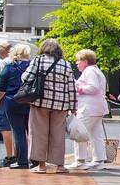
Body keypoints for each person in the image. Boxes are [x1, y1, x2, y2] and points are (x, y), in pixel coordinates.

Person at [20, 37, 77, 174]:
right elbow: (71, 86)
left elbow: (26, 78)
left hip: (40, 102)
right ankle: (59, 166)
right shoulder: (65, 64)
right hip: (60, 104)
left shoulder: (38, 61)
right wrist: (73, 105)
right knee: (58, 135)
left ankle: (41, 165)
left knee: (39, 133)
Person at [0, 43, 33, 169]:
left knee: (18, 132)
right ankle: (35, 159)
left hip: (13, 101)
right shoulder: (32, 67)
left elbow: (1, 86)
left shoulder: (9, 67)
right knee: (32, 132)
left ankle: (22, 161)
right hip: (30, 101)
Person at [72, 49, 109, 171]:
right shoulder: (96, 71)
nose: (77, 63)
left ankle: (80, 160)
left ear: (85, 61)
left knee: (79, 133)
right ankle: (99, 159)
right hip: (98, 107)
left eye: (79, 60)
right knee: (96, 134)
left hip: (89, 108)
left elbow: (93, 87)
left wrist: (79, 88)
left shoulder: (89, 71)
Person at [0, 40, 15, 167]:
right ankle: (19, 155)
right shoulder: (18, 61)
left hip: (5, 98)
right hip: (17, 98)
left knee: (5, 128)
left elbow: (2, 85)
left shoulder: (4, 63)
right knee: (18, 128)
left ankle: (9, 155)